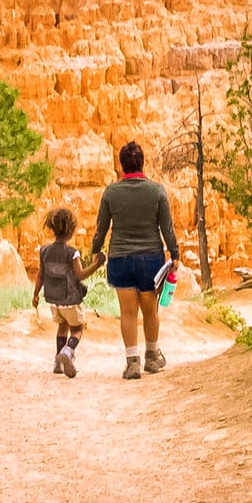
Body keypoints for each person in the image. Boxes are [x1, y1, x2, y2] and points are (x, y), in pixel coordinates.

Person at [91, 141, 179, 380]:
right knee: (150, 311)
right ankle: (152, 357)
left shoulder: (111, 192)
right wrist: (175, 254)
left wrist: (95, 250)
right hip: (151, 259)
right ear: (142, 163)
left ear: (121, 165)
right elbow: (167, 228)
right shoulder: (157, 191)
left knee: (128, 312)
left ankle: (132, 363)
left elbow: (101, 228)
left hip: (120, 258)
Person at [32, 208, 102, 378]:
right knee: (77, 328)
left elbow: (40, 275)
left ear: (52, 228)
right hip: (70, 299)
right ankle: (68, 350)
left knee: (62, 326)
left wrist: (35, 295)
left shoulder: (44, 251)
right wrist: (96, 265)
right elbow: (80, 275)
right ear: (71, 230)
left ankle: (58, 362)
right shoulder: (72, 253)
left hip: (53, 300)